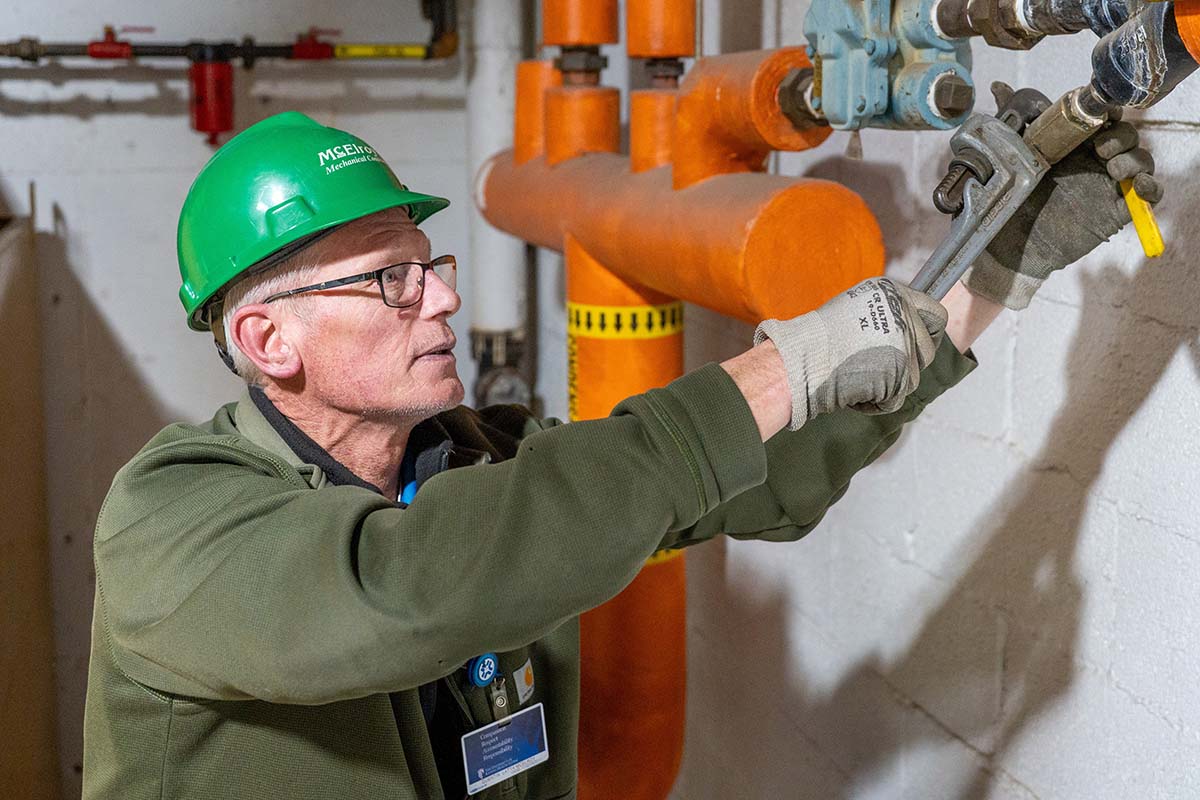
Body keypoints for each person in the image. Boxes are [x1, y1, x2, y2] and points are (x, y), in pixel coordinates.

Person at [81, 104, 1159, 799]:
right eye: (390, 278)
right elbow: (402, 589)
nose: (444, 294)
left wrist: (995, 271)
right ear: (268, 340)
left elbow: (751, 474)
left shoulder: (480, 464)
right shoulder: (172, 519)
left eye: (431, 262)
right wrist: (780, 363)